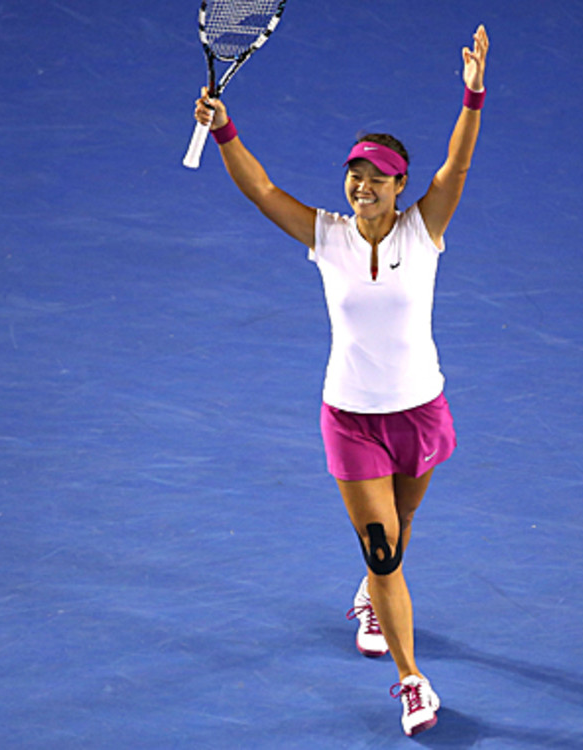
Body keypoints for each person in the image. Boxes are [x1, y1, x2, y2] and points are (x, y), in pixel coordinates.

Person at [193, 24, 489, 738]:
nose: (360, 186)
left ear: (399, 187)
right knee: (382, 548)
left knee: (404, 525)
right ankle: (412, 681)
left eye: (375, 177)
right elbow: (262, 190)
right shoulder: (326, 235)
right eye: (354, 173)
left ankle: (369, 598)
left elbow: (456, 166)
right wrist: (227, 128)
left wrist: (473, 93)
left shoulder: (426, 229)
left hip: (419, 412)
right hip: (351, 419)